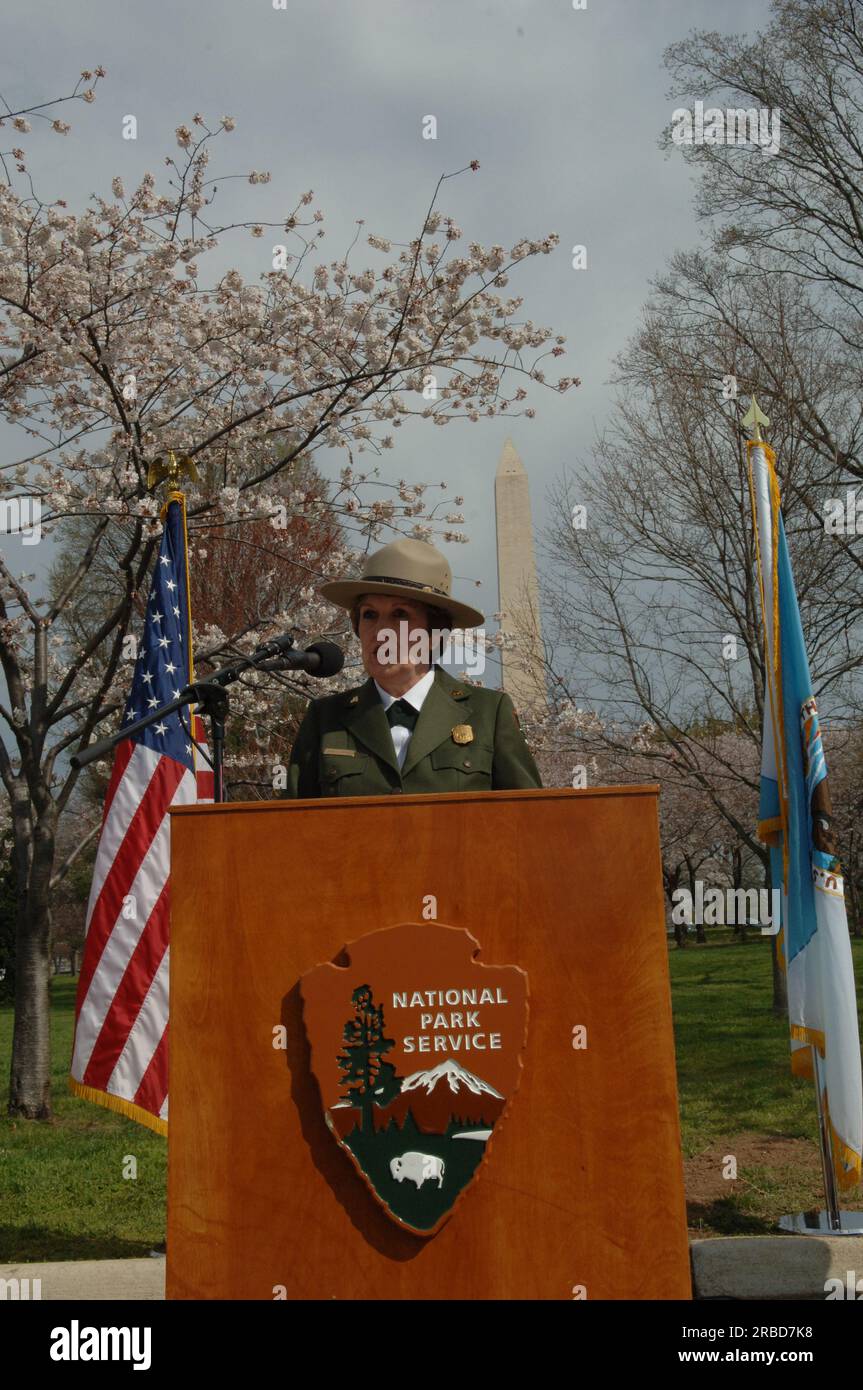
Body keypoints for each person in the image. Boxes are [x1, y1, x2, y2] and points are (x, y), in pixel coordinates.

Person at [283, 538, 542, 797]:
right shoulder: (325, 719)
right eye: (370, 615)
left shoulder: (488, 715)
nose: (382, 631)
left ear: (434, 633)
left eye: (400, 615)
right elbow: (289, 827)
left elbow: (531, 820)